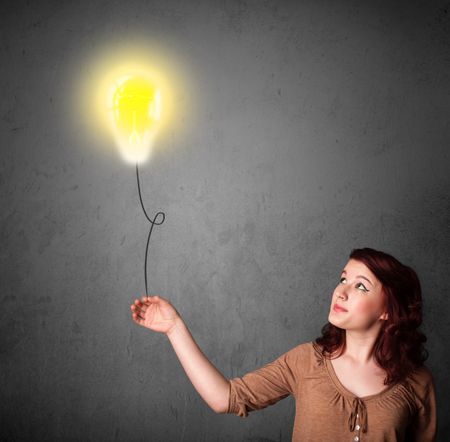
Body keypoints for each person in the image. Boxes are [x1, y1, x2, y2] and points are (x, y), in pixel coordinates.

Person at [130, 247, 437, 441]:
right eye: (343, 279)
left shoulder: (417, 382)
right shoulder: (305, 361)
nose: (341, 292)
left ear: (388, 309)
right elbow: (226, 398)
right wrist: (174, 328)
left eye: (360, 286)